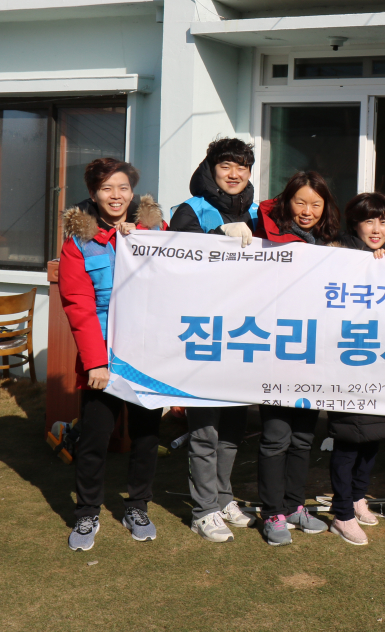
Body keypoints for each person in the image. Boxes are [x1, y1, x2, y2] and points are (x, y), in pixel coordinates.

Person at [60, 158, 166, 552]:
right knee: (94, 438)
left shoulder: (156, 233)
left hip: (146, 355)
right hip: (101, 358)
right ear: (93, 194)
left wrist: (142, 238)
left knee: (146, 436)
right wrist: (95, 362)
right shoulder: (78, 244)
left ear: (132, 192)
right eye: (106, 188)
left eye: (123, 187)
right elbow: (79, 305)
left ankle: (137, 506)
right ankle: (87, 511)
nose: (116, 195)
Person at [168, 137, 260, 543]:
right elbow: (175, 261)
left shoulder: (256, 211)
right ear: (211, 168)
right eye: (226, 165)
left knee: (234, 426)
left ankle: (223, 498)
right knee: (205, 429)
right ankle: (202, 509)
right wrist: (219, 235)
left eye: (242, 167)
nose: (234, 174)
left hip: (245, 334)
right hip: (204, 335)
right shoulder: (191, 210)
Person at [249, 171, 340, 545]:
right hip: (276, 351)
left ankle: (293, 506)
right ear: (287, 202)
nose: (307, 211)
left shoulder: (329, 242)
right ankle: (271, 512)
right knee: (275, 437)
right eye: (300, 202)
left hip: (313, 354)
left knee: (303, 438)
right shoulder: (264, 234)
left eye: (316, 204)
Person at [325, 192, 385, 546]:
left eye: (383, 221)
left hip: (382, 360)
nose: (377, 229)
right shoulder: (337, 254)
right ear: (354, 224)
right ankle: (342, 513)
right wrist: (365, 266)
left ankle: (359, 497)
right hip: (348, 359)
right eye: (369, 220)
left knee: (374, 434)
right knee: (348, 438)